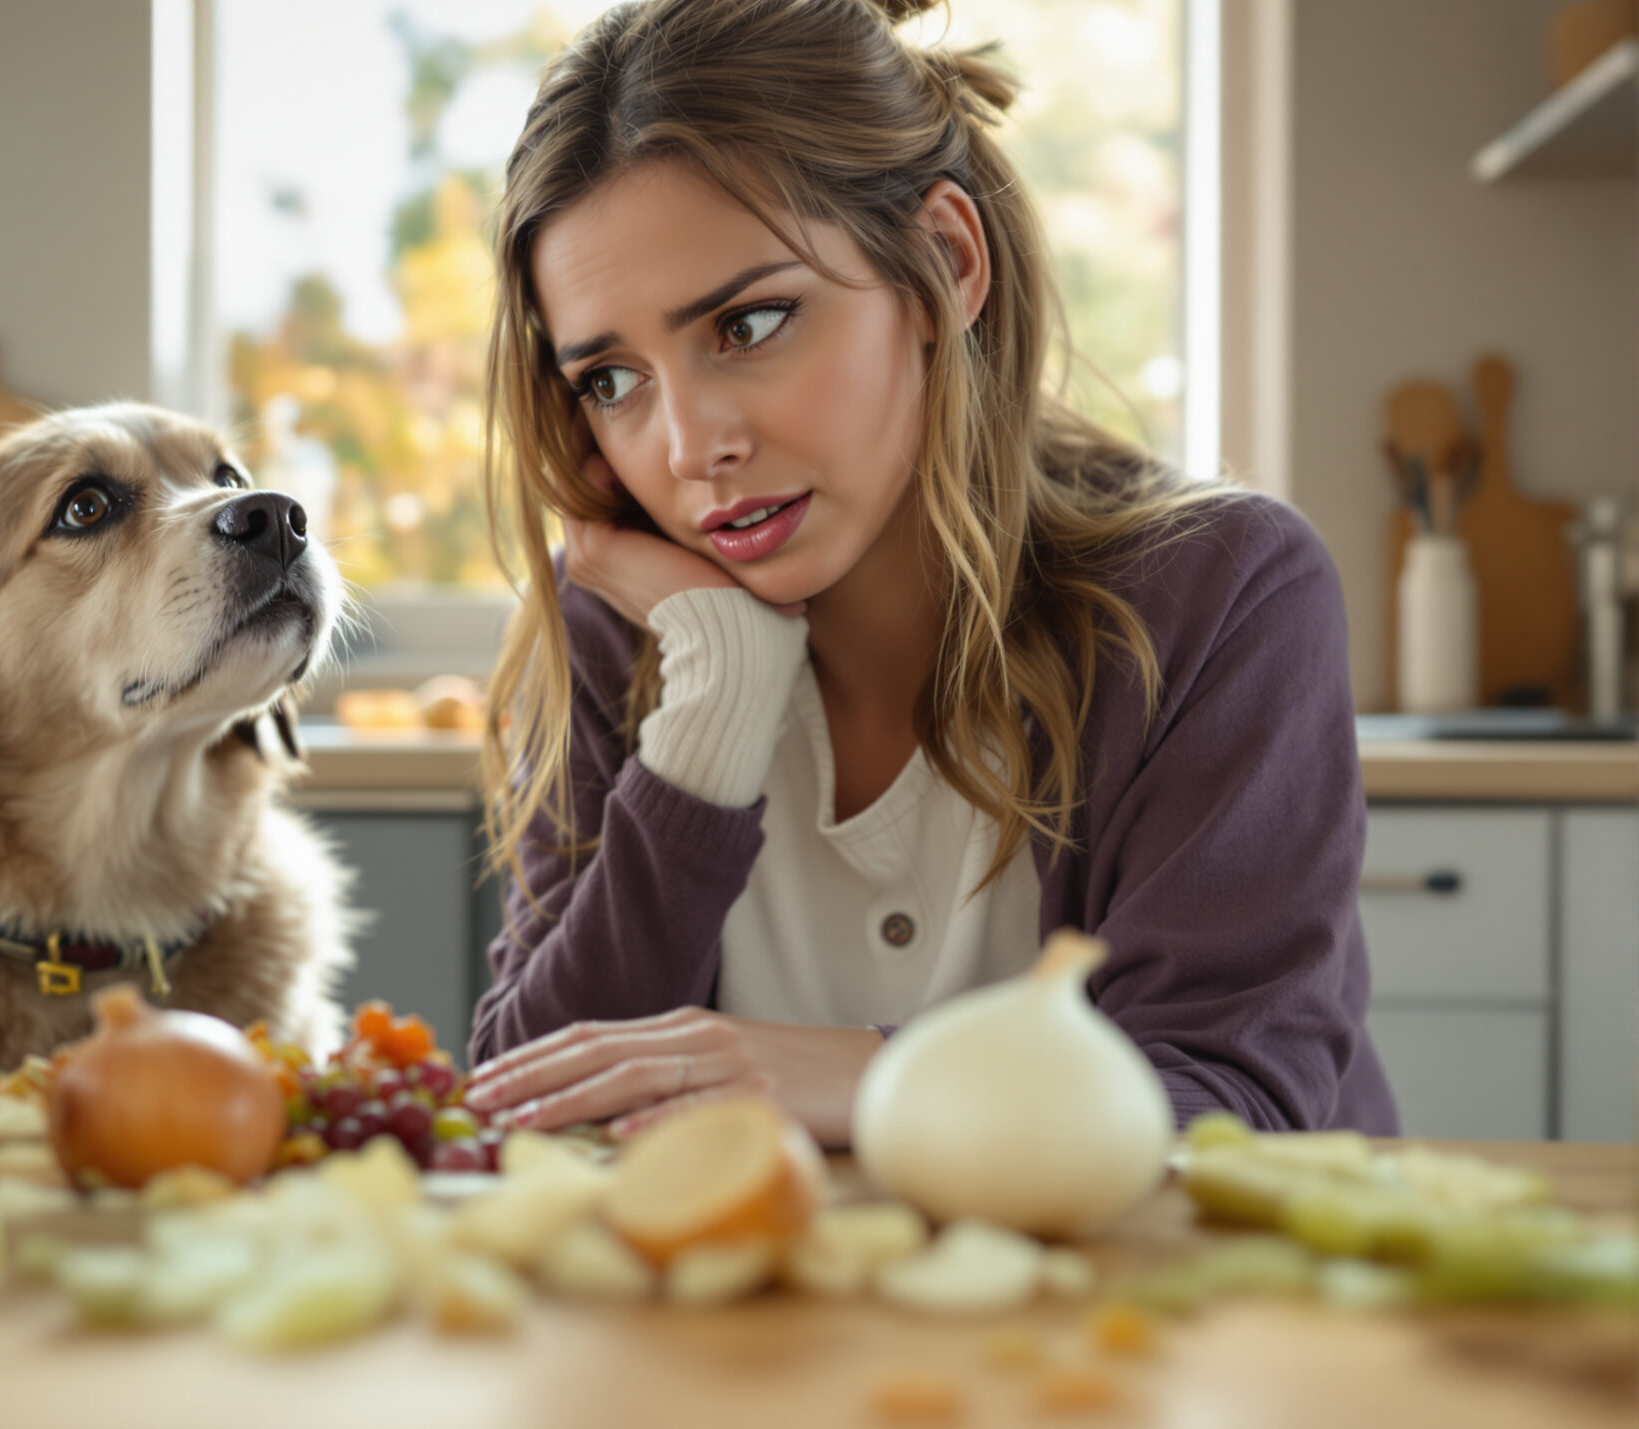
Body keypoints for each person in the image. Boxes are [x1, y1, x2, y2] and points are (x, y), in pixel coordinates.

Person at [458, 0, 1396, 1148]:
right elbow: (527, 1111)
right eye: (611, 380)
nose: (688, 445)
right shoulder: (628, 631)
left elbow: (1237, 1112)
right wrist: (717, 709)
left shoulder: (1220, 596)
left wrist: (865, 1077)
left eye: (748, 324)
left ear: (945, 265)